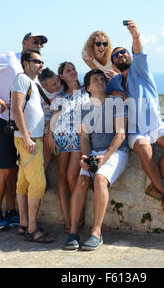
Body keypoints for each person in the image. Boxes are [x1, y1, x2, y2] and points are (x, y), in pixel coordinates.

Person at [106, 20, 164, 216]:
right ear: (114, 63)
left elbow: (139, 50)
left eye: (124, 52)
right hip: (135, 129)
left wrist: (135, 35)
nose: (121, 55)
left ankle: (153, 187)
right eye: (116, 55)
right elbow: (98, 95)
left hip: (155, 124)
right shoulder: (113, 81)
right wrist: (112, 94)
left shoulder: (140, 69)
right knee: (144, 149)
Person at [0, 32, 48, 230]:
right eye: (35, 41)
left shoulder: (32, 70)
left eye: (41, 43)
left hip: (19, 126)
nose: (38, 45)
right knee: (6, 170)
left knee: (16, 170)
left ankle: (11, 212)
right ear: (24, 42)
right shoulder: (9, 57)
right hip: (2, 121)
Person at [64, 69, 128, 251]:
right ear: (88, 87)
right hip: (94, 152)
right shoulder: (84, 109)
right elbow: (84, 138)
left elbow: (121, 134)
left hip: (116, 152)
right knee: (82, 180)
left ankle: (96, 233)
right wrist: (85, 156)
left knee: (100, 179)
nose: (100, 81)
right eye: (95, 80)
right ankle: (74, 232)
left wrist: (104, 157)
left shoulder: (116, 103)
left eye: (102, 79)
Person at [11, 49, 54, 243]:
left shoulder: (31, 82)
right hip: (28, 140)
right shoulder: (21, 80)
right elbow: (16, 108)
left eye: (42, 62)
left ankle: (23, 224)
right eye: (37, 61)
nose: (40, 65)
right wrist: (28, 138)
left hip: (29, 138)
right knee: (38, 183)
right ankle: (33, 228)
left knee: (24, 182)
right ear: (26, 63)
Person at [47, 62, 90, 234]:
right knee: (62, 178)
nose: (72, 72)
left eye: (73, 69)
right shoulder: (59, 98)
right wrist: (50, 137)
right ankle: (67, 219)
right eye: (68, 71)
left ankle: (77, 214)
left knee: (73, 176)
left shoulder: (87, 91)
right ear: (62, 76)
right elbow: (53, 120)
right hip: (61, 139)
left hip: (79, 140)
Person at [37, 67, 64, 172]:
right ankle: (42, 171)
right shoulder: (38, 93)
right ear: (44, 86)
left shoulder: (63, 86)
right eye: (54, 84)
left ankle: (43, 171)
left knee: (49, 141)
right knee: (47, 141)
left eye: (57, 80)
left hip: (58, 121)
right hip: (44, 121)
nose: (58, 85)